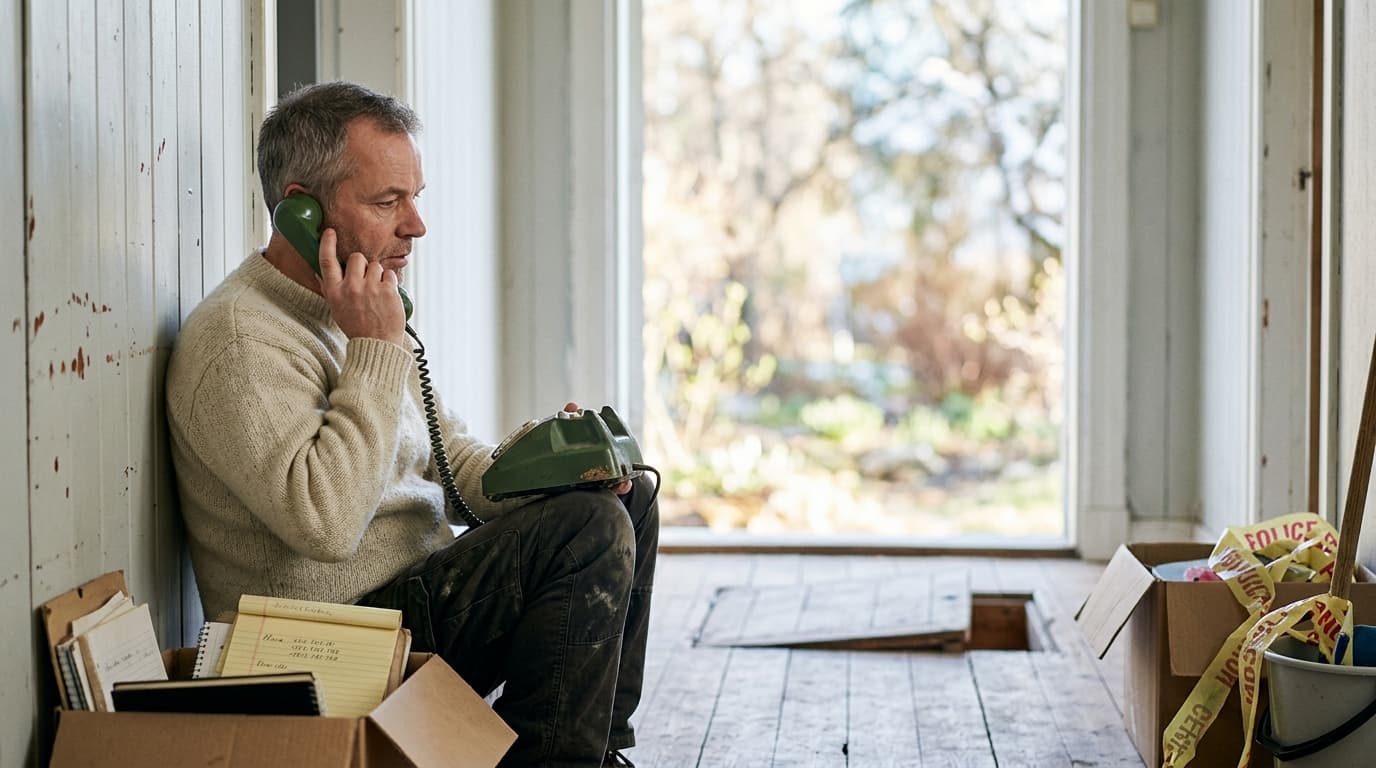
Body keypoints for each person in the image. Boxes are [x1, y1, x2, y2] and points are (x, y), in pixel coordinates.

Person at [165, 80, 657, 767]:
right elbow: (326, 526)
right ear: (303, 212)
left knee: (624, 496)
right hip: (326, 641)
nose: (415, 225)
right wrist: (375, 349)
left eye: (414, 197)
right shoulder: (242, 342)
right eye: (387, 201)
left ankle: (598, 749)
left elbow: (448, 461)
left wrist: (554, 462)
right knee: (587, 532)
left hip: (408, 603)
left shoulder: (356, 309)